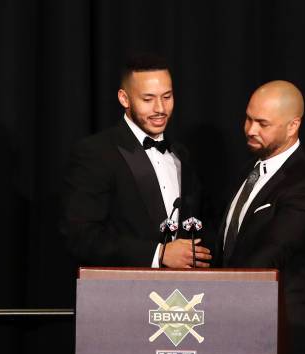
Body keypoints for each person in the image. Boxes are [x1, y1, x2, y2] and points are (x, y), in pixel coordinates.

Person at [216, 80, 305, 354]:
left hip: (285, 338)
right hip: (242, 332)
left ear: (293, 126)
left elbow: (273, 252)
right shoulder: (251, 170)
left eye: (262, 123)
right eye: (248, 118)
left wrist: (215, 296)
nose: (250, 129)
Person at [60, 53, 211, 269]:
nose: (160, 108)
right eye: (148, 99)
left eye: (167, 97)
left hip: (182, 295)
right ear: (124, 99)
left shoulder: (181, 154)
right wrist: (158, 254)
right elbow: (80, 235)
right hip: (121, 293)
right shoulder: (96, 152)